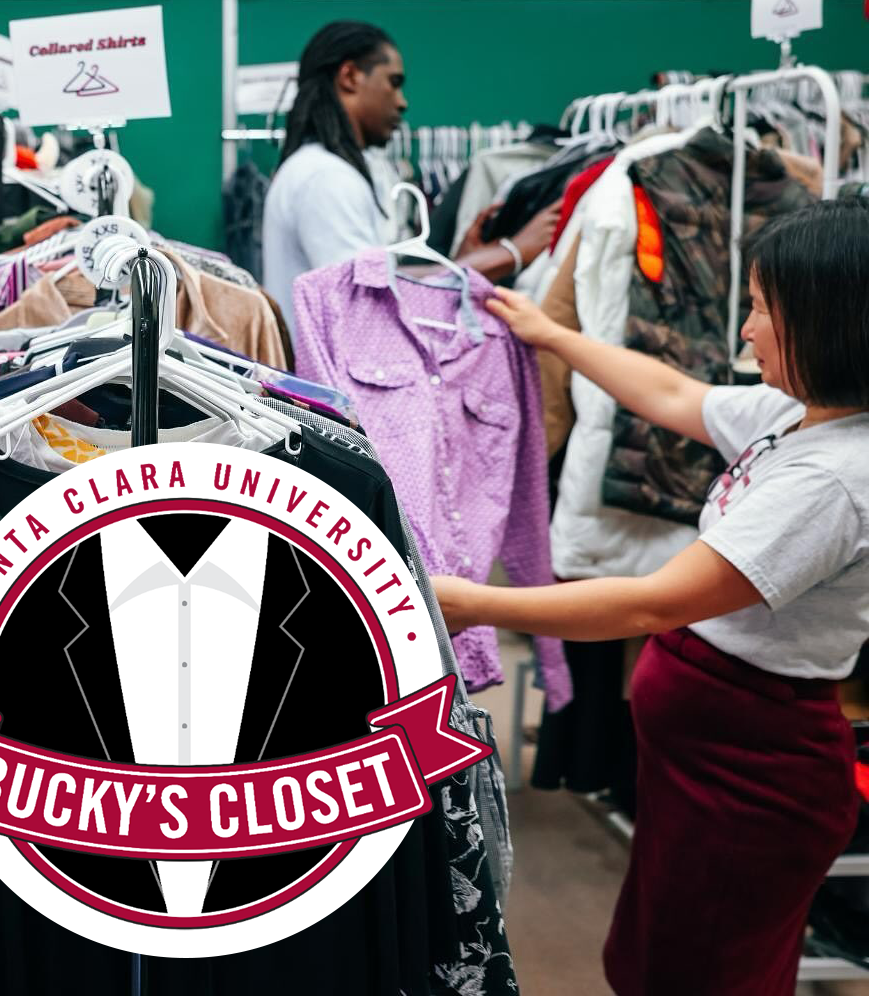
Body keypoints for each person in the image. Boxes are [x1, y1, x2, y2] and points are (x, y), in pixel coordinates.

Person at [432, 197, 869, 995]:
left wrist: (469, 602)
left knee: (699, 977)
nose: (744, 330)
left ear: (830, 323)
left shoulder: (835, 480)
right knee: (658, 964)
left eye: (763, 310)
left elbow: (650, 604)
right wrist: (554, 335)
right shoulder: (798, 417)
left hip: (753, 787)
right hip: (706, 769)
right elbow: (671, 394)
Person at [262, 20, 560, 337]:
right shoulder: (326, 177)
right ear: (349, 77)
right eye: (393, 82)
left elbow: (374, 278)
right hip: (320, 381)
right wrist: (509, 254)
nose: (402, 101)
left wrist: (458, 264)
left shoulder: (317, 168)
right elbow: (368, 298)